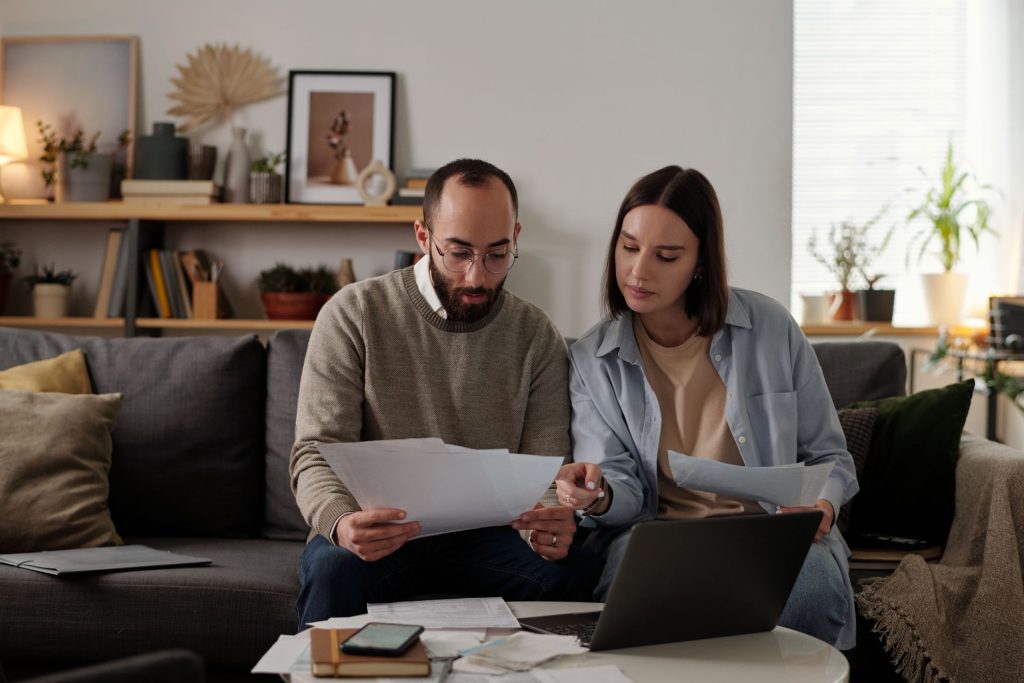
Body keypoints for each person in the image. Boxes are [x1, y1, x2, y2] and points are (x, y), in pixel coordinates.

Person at [554, 165, 858, 650]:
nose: (638, 270)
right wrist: (598, 495)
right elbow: (621, 487)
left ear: (700, 262)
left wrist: (822, 502)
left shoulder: (772, 328)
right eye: (629, 247)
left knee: (813, 585)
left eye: (666, 256)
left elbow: (830, 456)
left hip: (770, 533)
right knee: (635, 590)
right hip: (657, 535)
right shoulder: (592, 360)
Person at [290, 158, 601, 626]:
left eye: (497, 254)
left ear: (516, 237)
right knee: (335, 574)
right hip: (378, 532)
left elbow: (547, 472)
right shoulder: (353, 314)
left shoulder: (536, 335)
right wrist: (340, 523)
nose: (477, 277)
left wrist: (551, 523)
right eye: (458, 253)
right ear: (422, 237)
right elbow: (314, 452)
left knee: (578, 571)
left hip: (491, 539)